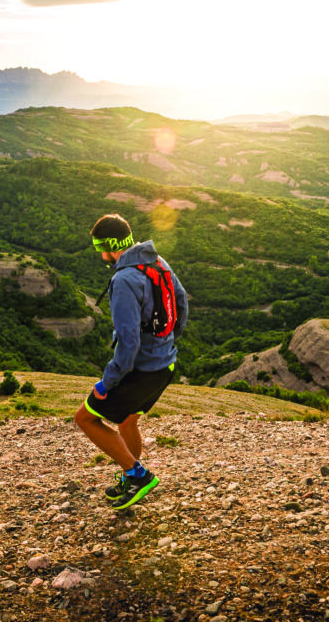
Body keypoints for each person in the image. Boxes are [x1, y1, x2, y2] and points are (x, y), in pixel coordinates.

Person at [74, 213, 188, 510]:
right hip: (165, 365)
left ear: (112, 245)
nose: (100, 254)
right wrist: (167, 341)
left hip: (140, 370)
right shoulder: (157, 262)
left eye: (101, 247)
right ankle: (130, 477)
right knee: (127, 420)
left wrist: (106, 382)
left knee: (85, 418)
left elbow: (128, 343)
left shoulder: (124, 279)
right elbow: (182, 300)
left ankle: (138, 475)